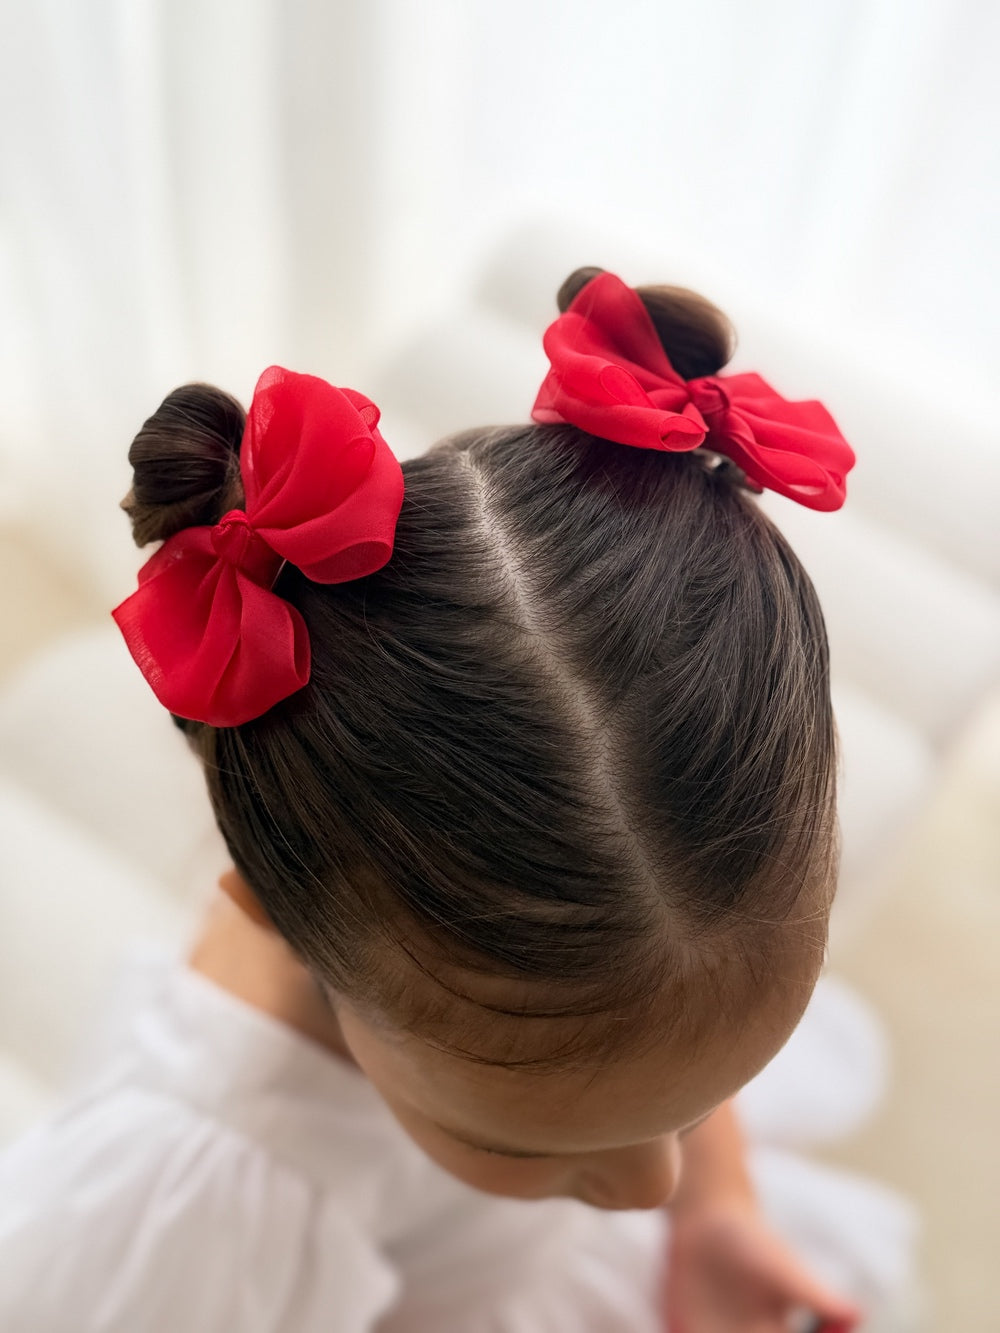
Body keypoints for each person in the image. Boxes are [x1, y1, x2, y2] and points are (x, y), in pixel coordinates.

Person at [0, 268, 866, 1331]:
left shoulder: (641, 937)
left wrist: (721, 1205)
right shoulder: (197, 1212)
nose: (653, 1187)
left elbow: (658, 1058)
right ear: (274, 900)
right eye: (528, 1142)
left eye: (684, 1108)